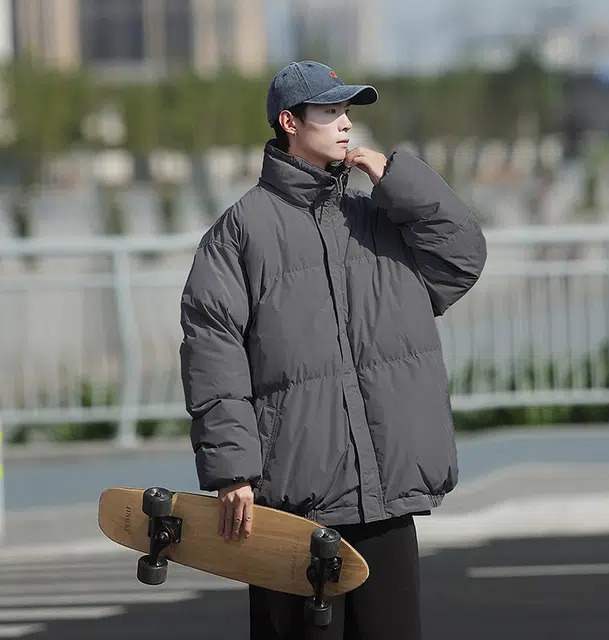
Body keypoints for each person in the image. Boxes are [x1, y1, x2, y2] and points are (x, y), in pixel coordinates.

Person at [179, 60, 487, 639]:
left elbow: (462, 257)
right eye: (329, 111)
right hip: (294, 506)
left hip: (385, 496)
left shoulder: (378, 219)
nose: (345, 123)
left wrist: (396, 178)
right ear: (289, 122)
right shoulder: (239, 233)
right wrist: (232, 472)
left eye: (346, 111)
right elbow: (212, 353)